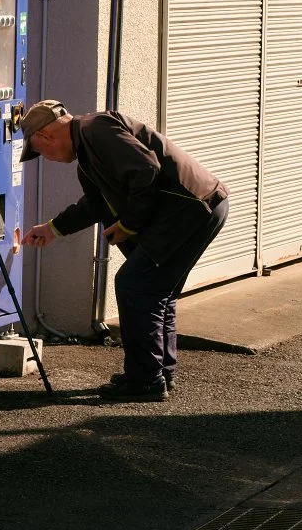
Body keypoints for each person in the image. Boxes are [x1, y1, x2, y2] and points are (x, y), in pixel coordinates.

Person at [15, 101, 228, 401]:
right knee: (155, 290)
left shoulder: (96, 129)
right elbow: (96, 204)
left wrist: (129, 224)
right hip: (198, 206)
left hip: (191, 207)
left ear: (47, 136)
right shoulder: (87, 152)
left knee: (134, 284)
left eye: (40, 152)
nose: (45, 159)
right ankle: (159, 373)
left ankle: (145, 380)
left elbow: (146, 169)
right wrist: (53, 228)